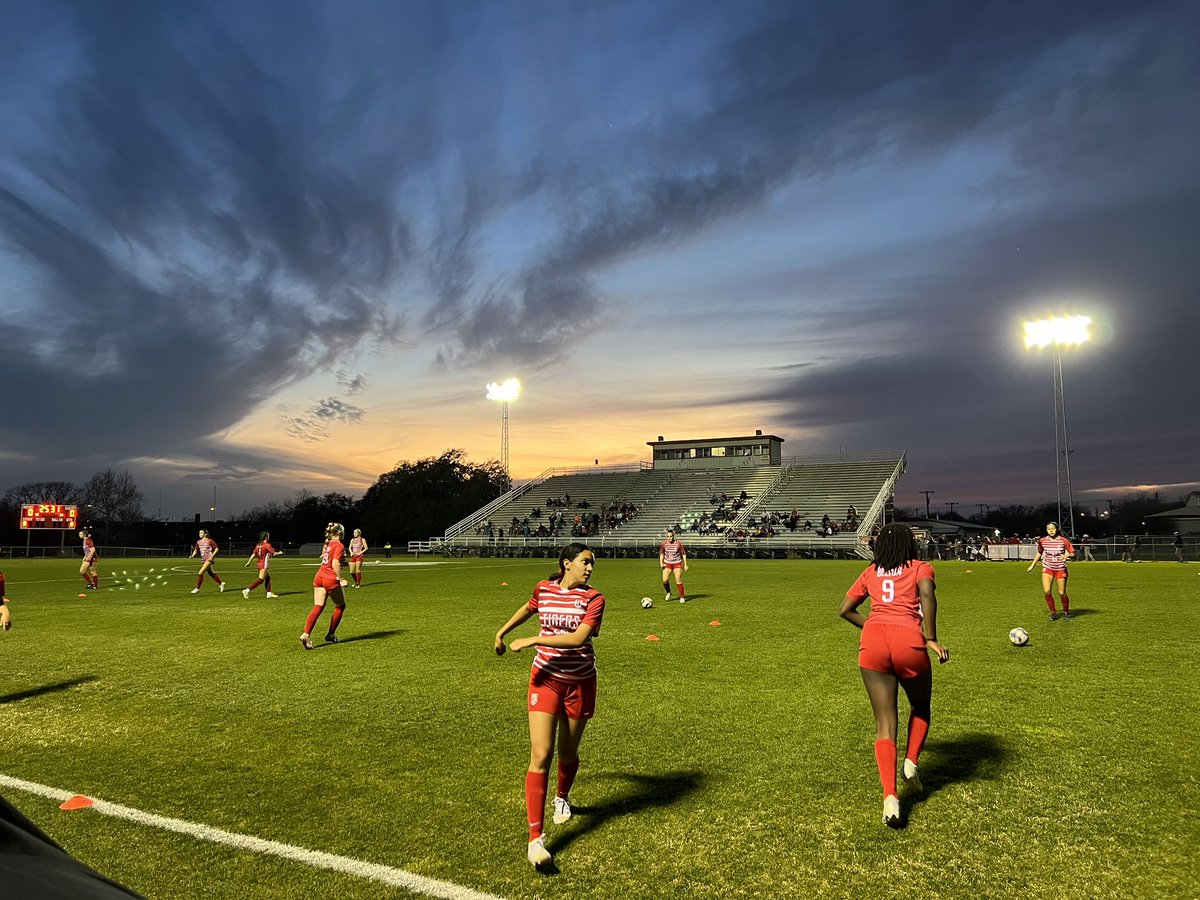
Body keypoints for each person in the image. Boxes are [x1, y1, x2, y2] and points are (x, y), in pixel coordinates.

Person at [494, 543, 605, 870]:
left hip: (580, 682)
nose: (589, 569)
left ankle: (562, 797)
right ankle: (535, 840)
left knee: (567, 753)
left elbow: (577, 639)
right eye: (585, 562)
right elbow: (530, 607)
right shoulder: (544, 589)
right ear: (566, 563)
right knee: (541, 754)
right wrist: (502, 631)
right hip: (545, 678)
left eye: (592, 565)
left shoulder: (594, 599)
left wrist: (531, 640)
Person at [839, 523, 949, 827]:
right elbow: (927, 595)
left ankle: (890, 796)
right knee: (920, 706)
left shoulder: (871, 571)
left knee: (885, 724)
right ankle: (911, 762)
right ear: (909, 545)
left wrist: (874, 627)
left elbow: (845, 609)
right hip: (909, 641)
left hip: (872, 643)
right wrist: (931, 637)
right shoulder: (920, 567)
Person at [300, 522, 347, 649]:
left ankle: (306, 634)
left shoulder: (328, 544)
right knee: (340, 606)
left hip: (319, 576)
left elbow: (330, 559)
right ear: (339, 533)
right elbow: (335, 563)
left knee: (318, 607)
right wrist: (341, 578)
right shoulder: (339, 545)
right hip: (330, 578)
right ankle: (331, 635)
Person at [1027, 522, 1074, 620]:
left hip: (1060, 568)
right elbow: (1039, 553)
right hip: (1048, 568)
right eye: (1048, 529)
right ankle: (1053, 613)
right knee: (1047, 591)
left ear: (1057, 529)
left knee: (1062, 593)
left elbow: (1072, 553)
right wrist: (1032, 565)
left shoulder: (1063, 540)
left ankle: (1066, 612)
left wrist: (1066, 556)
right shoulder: (1042, 541)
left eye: (1053, 528)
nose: (1051, 530)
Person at [242, 531, 281, 598]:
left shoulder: (258, 545)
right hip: (264, 564)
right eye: (268, 535)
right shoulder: (267, 545)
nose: (269, 537)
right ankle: (247, 590)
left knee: (268, 577)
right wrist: (280, 553)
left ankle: (269, 593)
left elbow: (253, 554)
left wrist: (248, 562)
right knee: (260, 580)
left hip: (259, 563)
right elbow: (273, 553)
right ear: (266, 537)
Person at [189, 529, 225, 594]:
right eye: (199, 533)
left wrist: (212, 556)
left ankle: (197, 588)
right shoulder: (198, 542)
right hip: (203, 560)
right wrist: (192, 556)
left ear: (205, 534)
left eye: (201, 533)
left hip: (209, 559)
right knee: (211, 573)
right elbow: (196, 550)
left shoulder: (210, 541)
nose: (200, 534)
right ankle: (221, 583)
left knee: (200, 573)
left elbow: (217, 549)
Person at [658, 528, 688, 603]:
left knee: (678, 580)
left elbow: (683, 554)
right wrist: (661, 562)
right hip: (667, 563)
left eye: (671, 536)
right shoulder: (664, 544)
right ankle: (668, 592)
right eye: (668, 536)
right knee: (664, 580)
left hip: (677, 563)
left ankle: (682, 597)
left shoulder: (678, 544)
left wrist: (685, 565)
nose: (669, 538)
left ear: (673, 536)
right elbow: (661, 553)